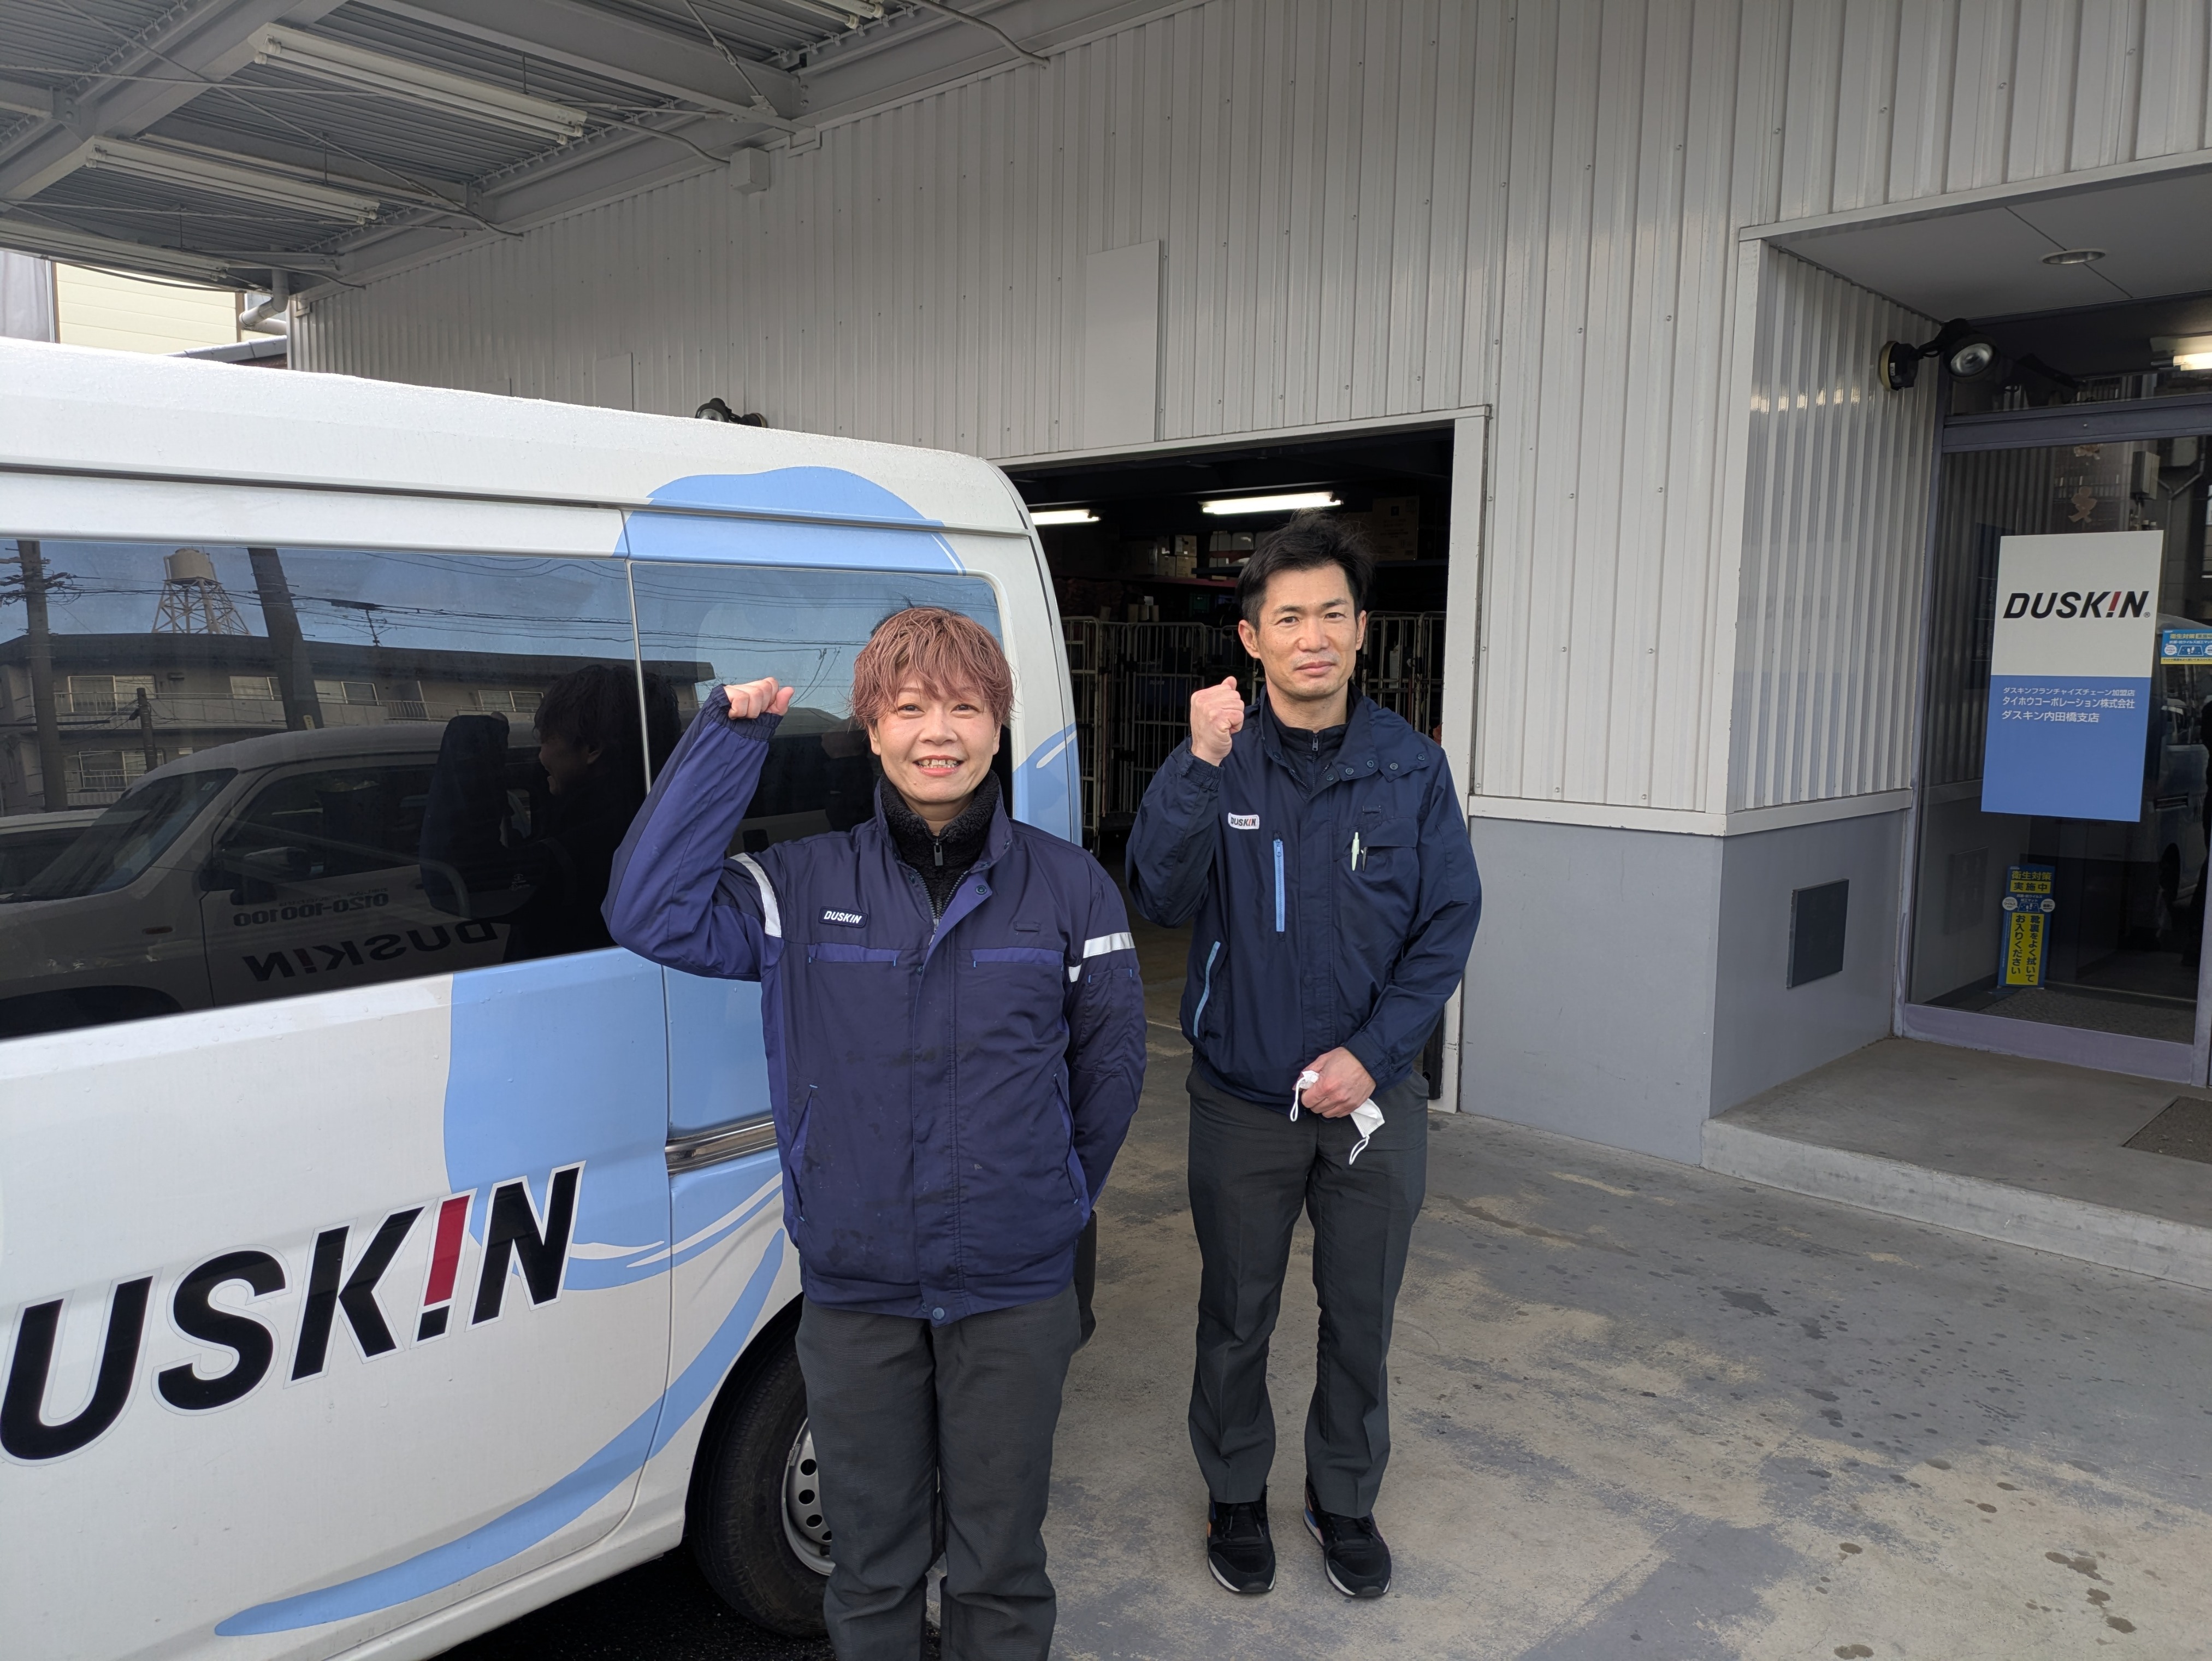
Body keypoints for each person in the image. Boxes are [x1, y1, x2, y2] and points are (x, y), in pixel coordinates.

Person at [603, 608, 1146, 1660]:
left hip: (1015, 1289)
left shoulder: (1071, 887)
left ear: (997, 724)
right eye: (910, 708)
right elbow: (648, 911)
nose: (938, 731)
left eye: (965, 707)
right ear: (873, 726)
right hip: (859, 1291)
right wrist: (727, 743)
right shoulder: (801, 886)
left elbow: (1110, 1070)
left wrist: (1054, 1198)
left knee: (1000, 1566)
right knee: (872, 1567)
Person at [1127, 511, 1481, 1601]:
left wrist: (1375, 1057)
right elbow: (1158, 892)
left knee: (1359, 1314)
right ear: (1252, 637)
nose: (1312, 636)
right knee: (1237, 1310)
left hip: (1375, 1102)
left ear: (1363, 629)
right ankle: (1235, 1490)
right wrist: (1196, 762)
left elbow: (1447, 925)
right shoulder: (1222, 762)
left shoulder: (1411, 768)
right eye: (1289, 618)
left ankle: (1344, 1496)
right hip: (1244, 1098)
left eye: (1332, 614)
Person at [419, 664, 679, 961]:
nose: (540, 756)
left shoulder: (592, 847)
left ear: (592, 749)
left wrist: (474, 744)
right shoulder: (650, 821)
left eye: (545, 739)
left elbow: (456, 881)